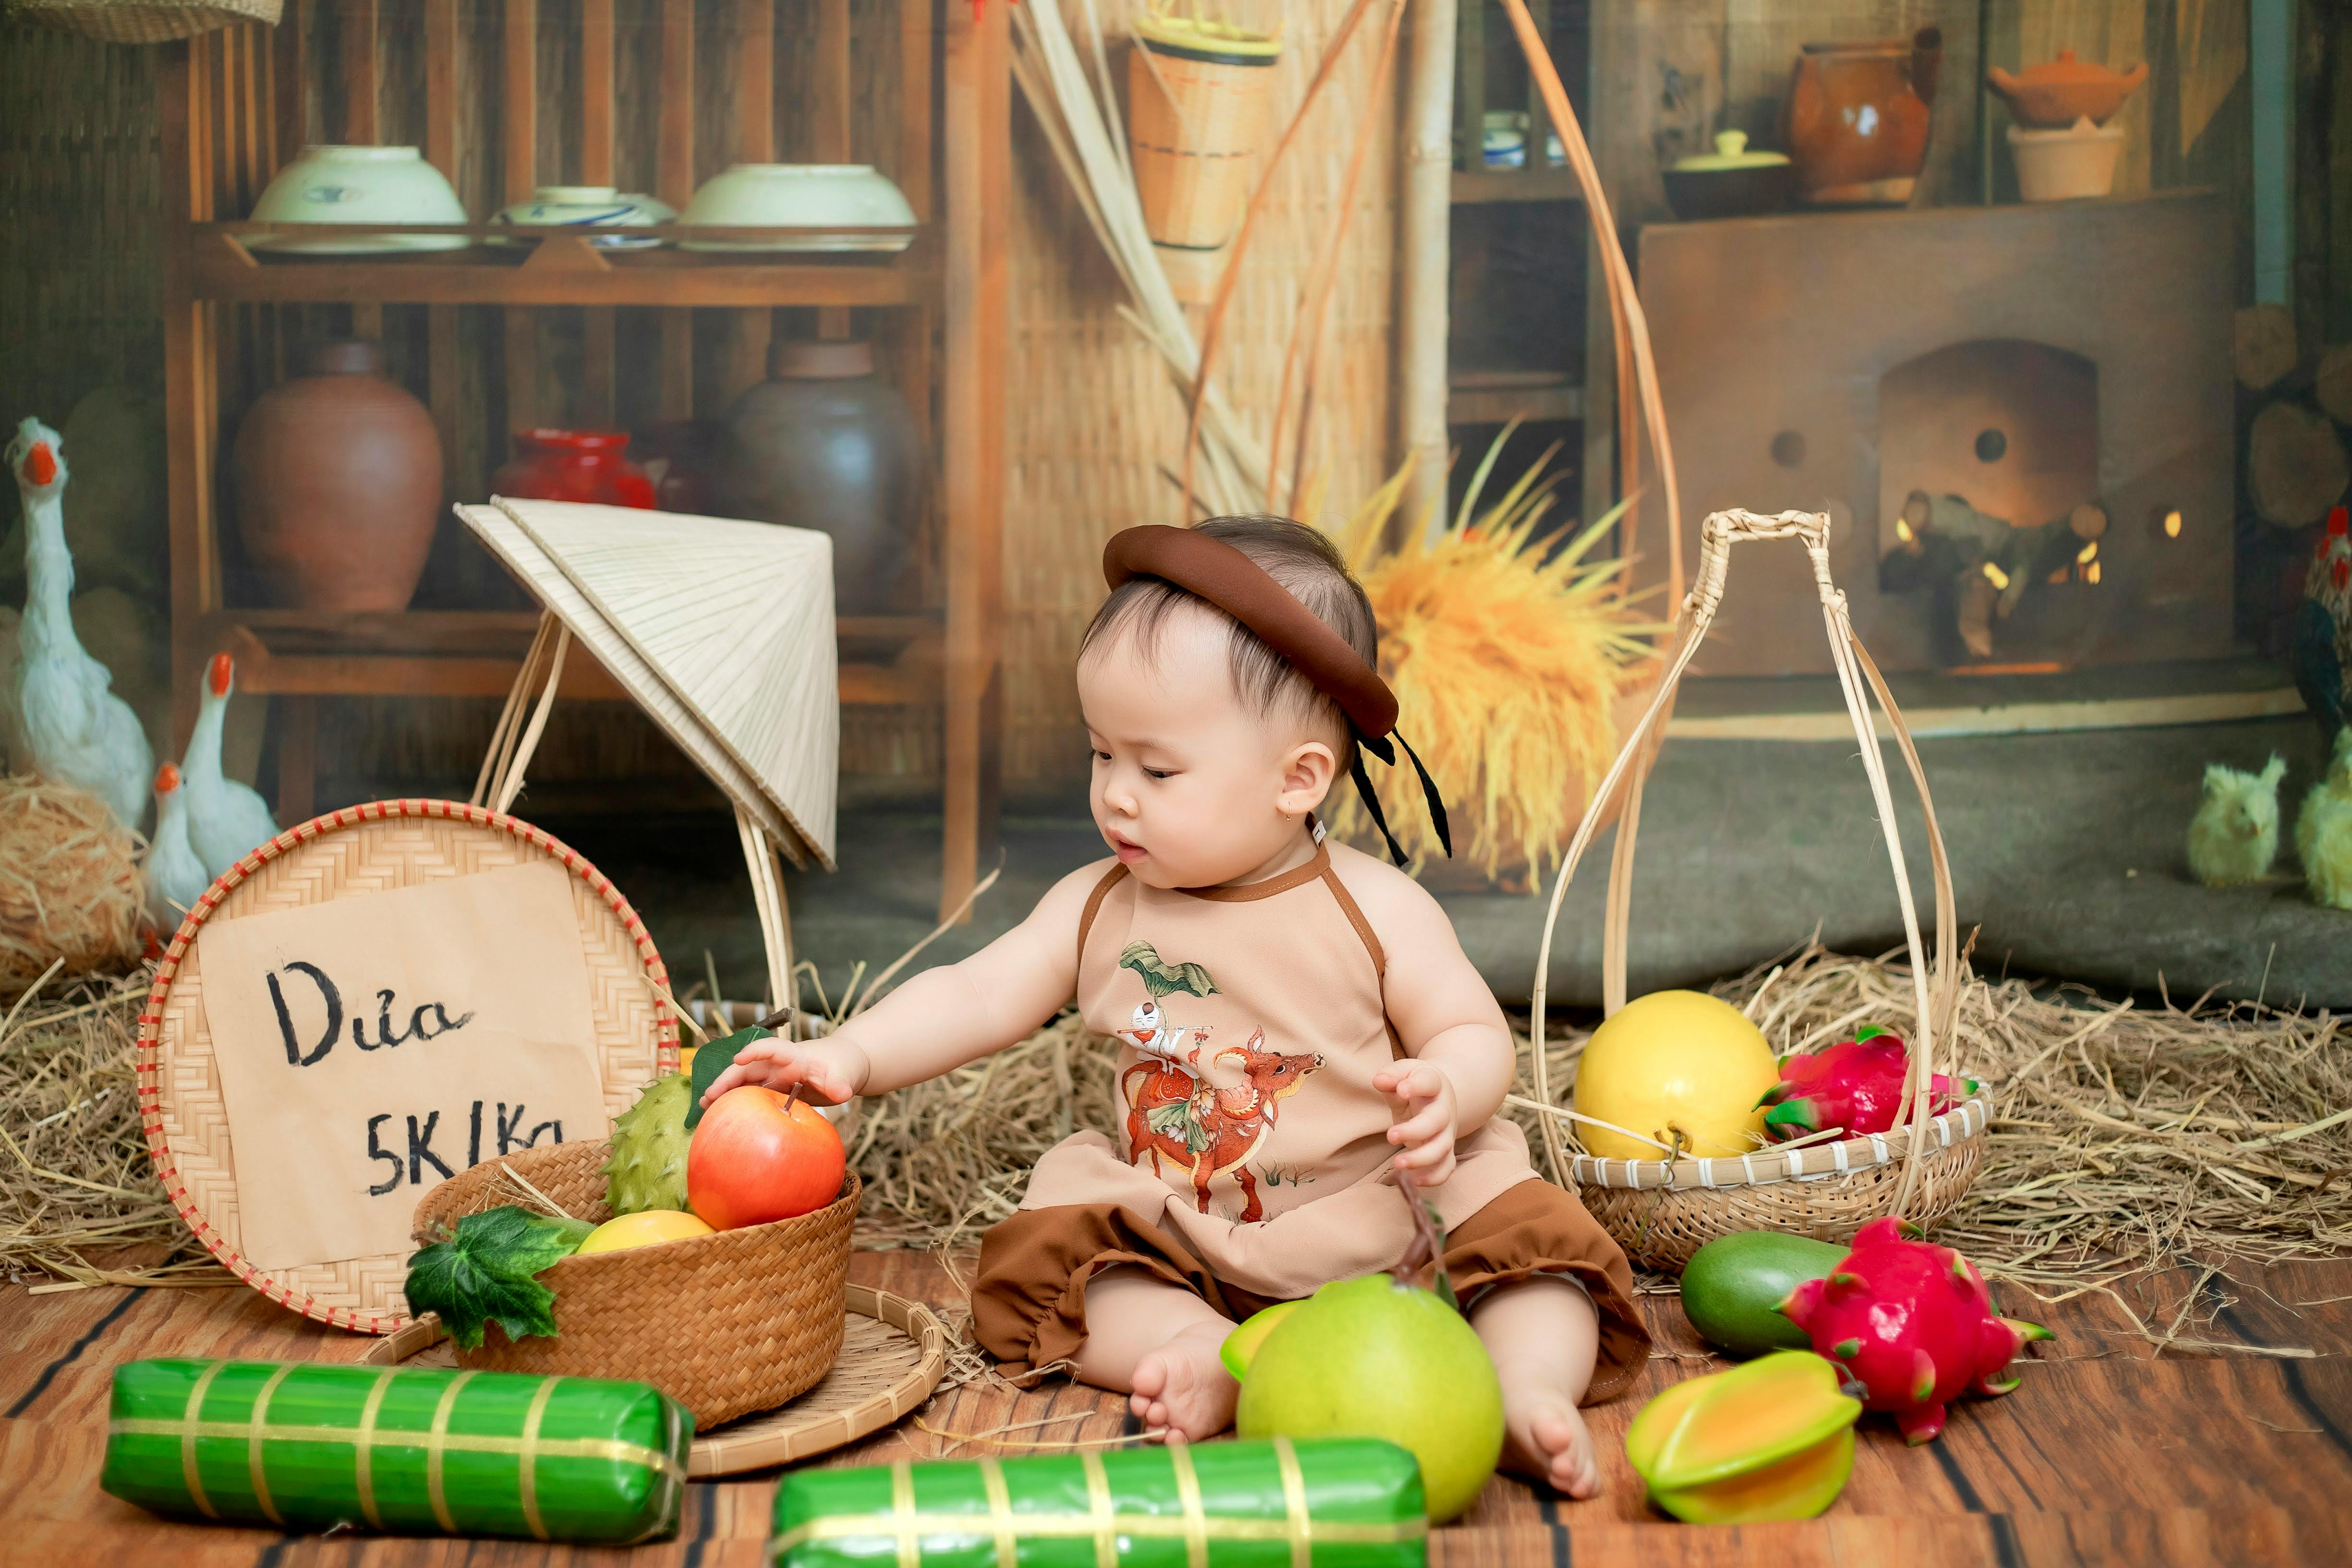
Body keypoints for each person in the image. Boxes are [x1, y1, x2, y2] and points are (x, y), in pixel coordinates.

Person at [703, 517, 1649, 1498]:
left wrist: (1447, 1090)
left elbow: (1467, 1027)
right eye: (1100, 754)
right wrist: (851, 1055)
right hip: (1189, 1233)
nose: (1115, 795)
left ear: (1297, 780)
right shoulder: (1099, 904)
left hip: (1386, 1211)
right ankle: (1204, 1353)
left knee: (1536, 1251)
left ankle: (1518, 1384)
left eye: (1156, 770)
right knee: (1061, 1239)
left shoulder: (1375, 909)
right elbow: (980, 988)